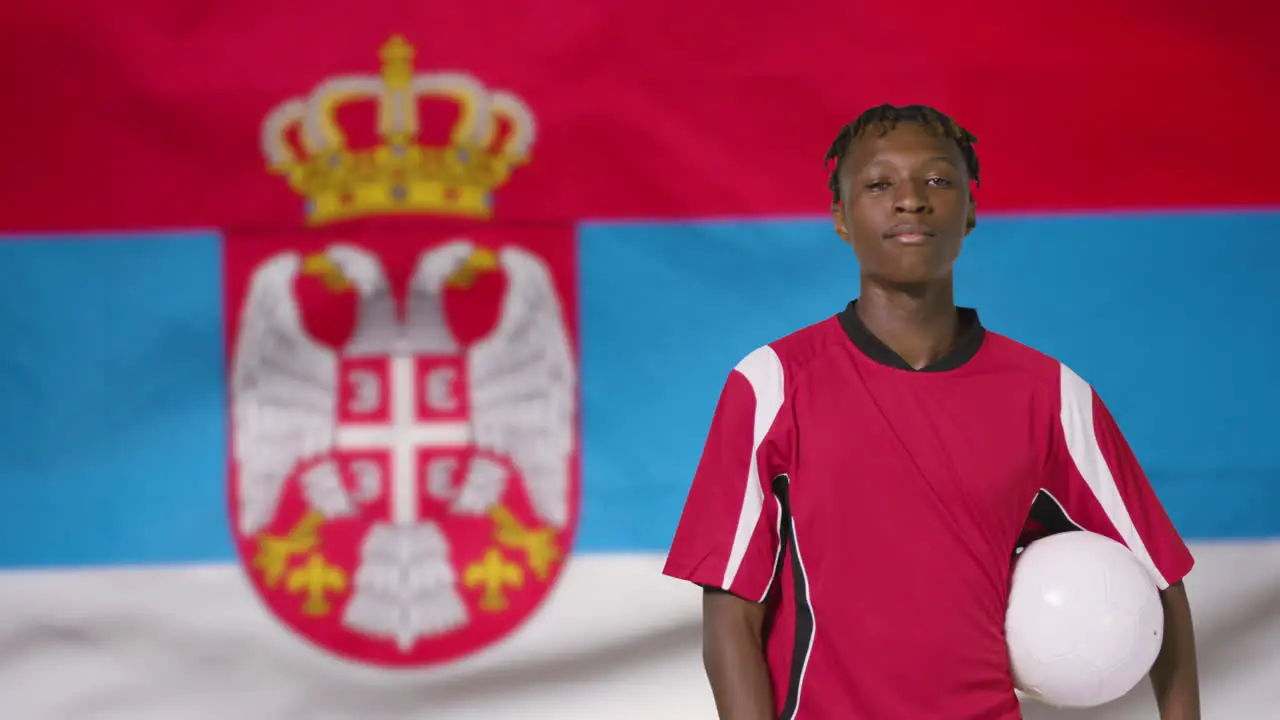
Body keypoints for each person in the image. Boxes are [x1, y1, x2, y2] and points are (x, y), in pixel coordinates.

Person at [661, 104, 1201, 719]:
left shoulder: (1049, 395)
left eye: (938, 181)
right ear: (841, 216)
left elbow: (1160, 581)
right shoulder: (771, 386)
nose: (910, 201)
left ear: (970, 211)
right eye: (879, 184)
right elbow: (731, 615)